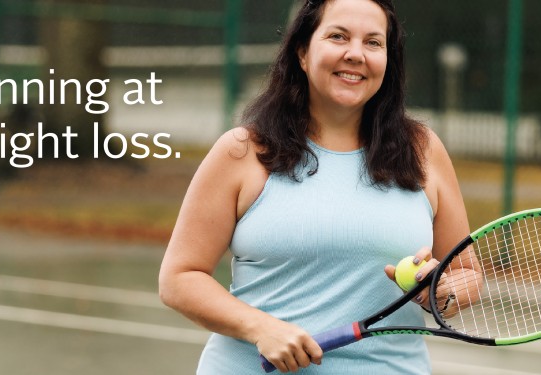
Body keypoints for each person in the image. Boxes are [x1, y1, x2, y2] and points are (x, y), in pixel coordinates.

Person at [159, 0, 477, 373]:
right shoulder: (243, 151)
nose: (355, 54)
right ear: (303, 53)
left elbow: (465, 271)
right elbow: (180, 277)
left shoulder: (424, 151)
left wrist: (442, 292)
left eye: (373, 43)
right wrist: (261, 328)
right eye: (338, 36)